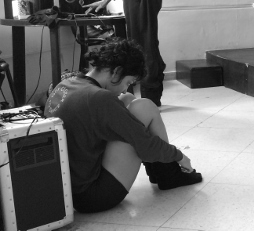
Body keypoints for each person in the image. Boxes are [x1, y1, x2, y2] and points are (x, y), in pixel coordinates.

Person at [44, 38, 202, 213]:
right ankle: (168, 174)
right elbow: (145, 145)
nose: (125, 89)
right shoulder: (99, 98)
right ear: (116, 72)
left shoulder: (67, 84)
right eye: (127, 82)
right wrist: (179, 156)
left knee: (126, 100)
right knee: (145, 107)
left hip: (69, 190)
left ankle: (163, 172)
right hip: (93, 196)